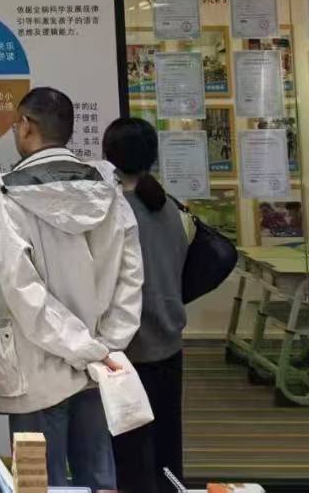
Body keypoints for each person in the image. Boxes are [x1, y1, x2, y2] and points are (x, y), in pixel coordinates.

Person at [0, 87, 144, 492]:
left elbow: (23, 291)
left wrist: (82, 348)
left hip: (37, 370)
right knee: (99, 480)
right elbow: (131, 278)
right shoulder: (109, 190)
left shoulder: (8, 196)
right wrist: (104, 348)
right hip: (101, 367)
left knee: (40, 484)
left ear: (26, 126)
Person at [104, 117, 190, 493]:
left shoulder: (115, 213)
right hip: (169, 344)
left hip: (131, 352)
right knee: (167, 450)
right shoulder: (168, 207)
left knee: (131, 456)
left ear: (109, 157)